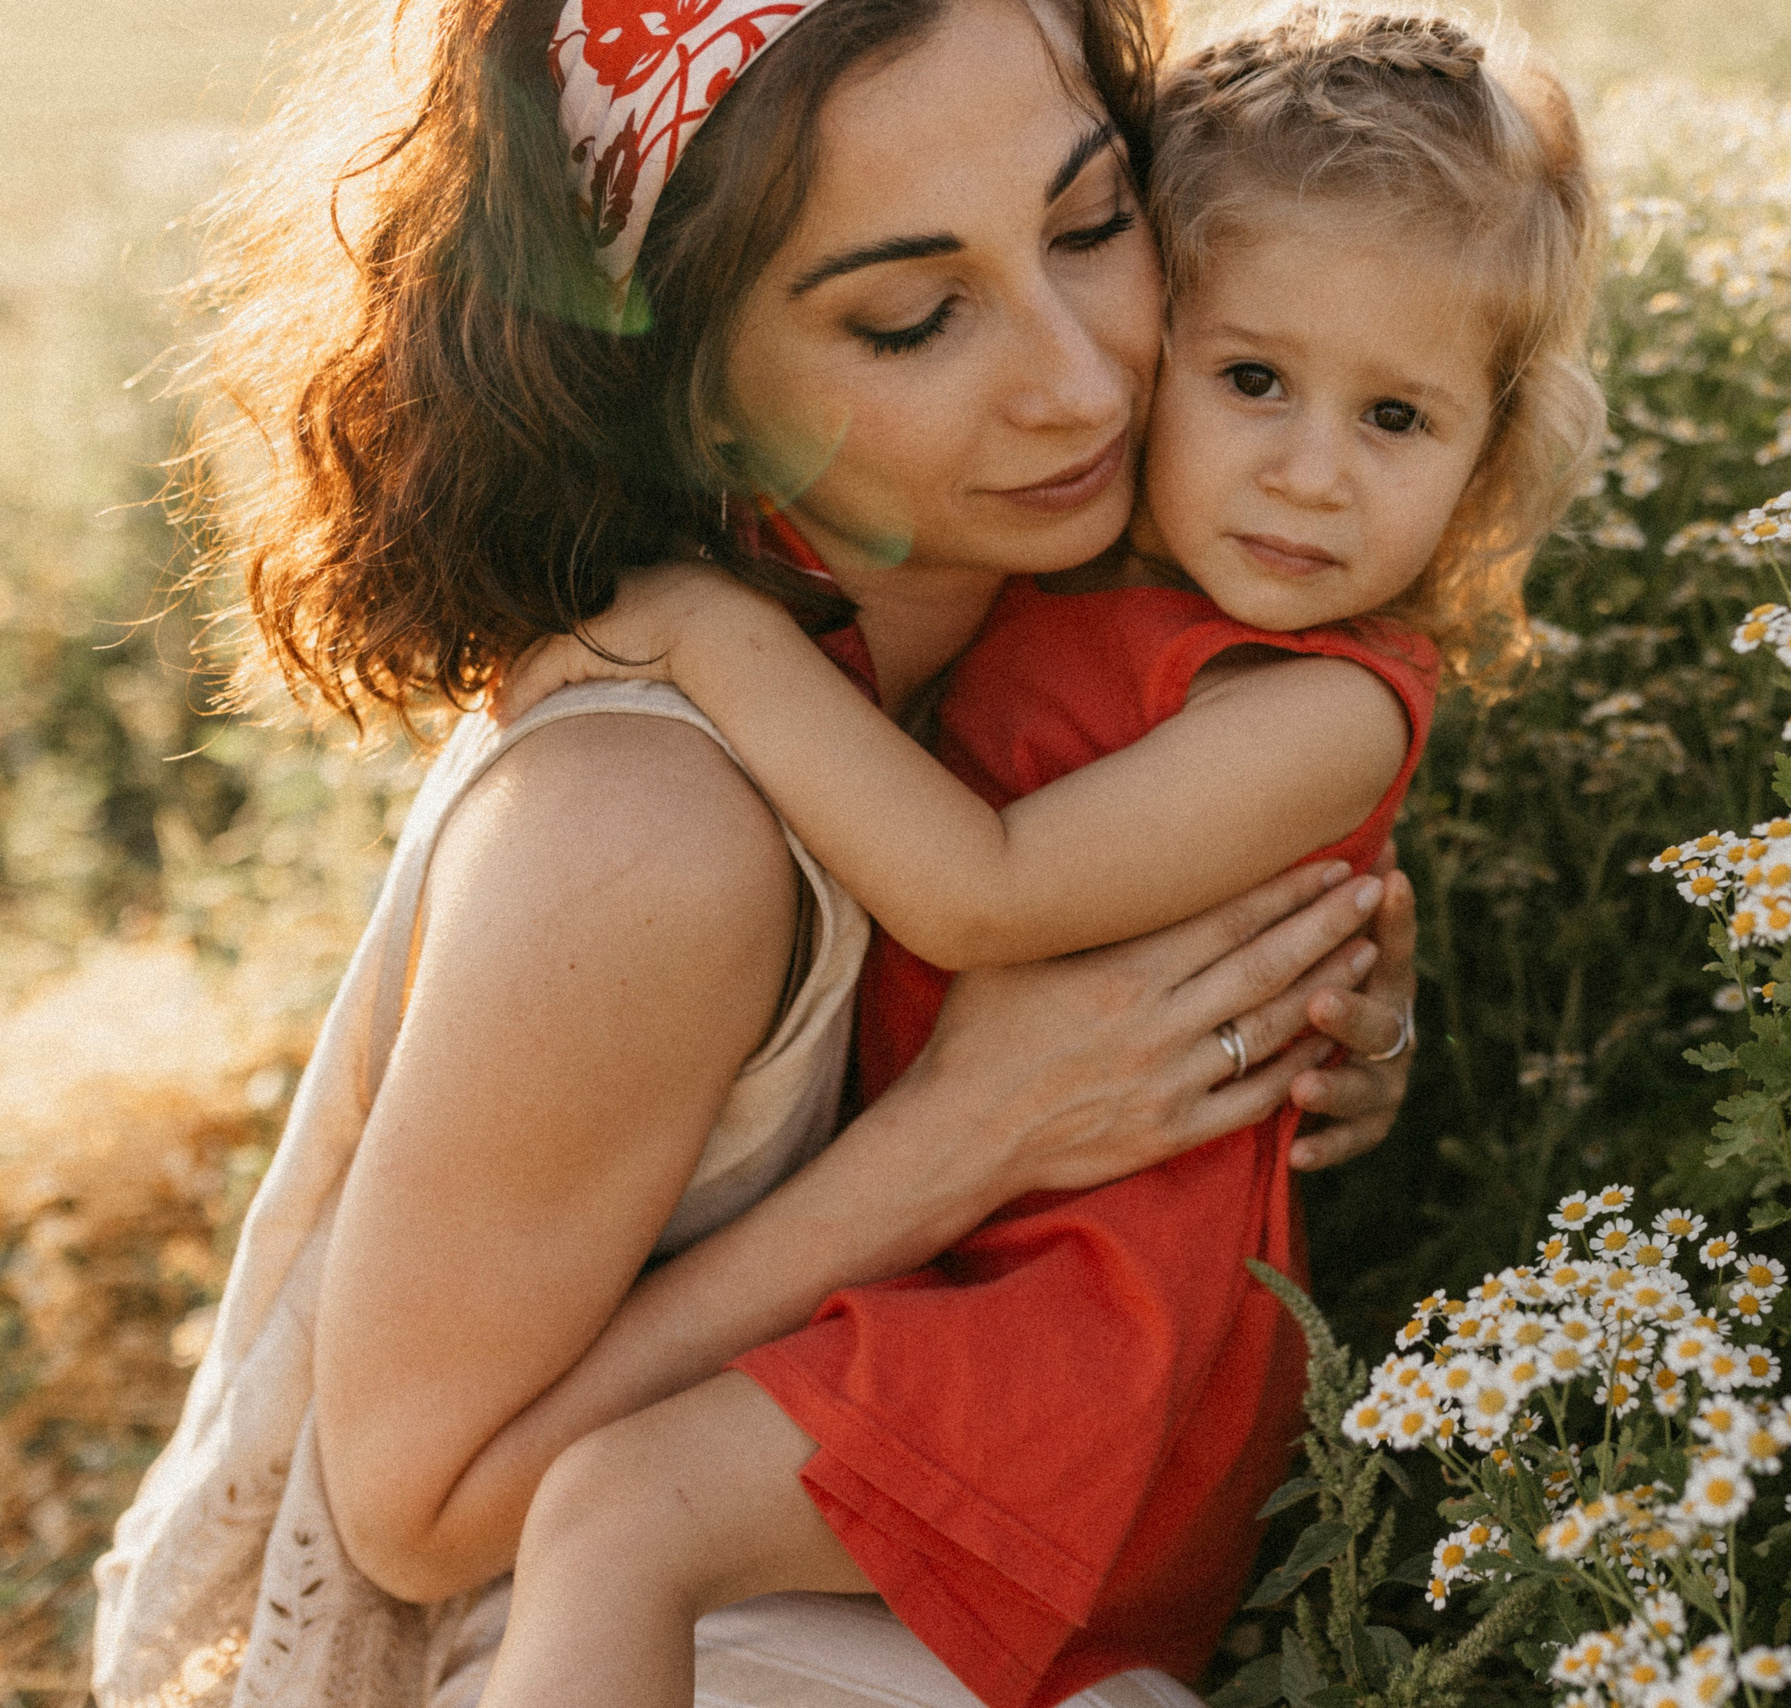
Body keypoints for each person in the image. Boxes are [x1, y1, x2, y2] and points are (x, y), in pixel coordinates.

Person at [87, 2, 1426, 1704]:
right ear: (687, 391)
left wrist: (1334, 1011)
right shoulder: (646, 841)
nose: (1081, 378)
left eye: (1095, 225)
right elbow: (415, 1518)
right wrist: (968, 1135)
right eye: (911, 317)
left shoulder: (1064, 581)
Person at [476, 10, 1602, 1706]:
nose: (1310, 473)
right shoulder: (1087, 583)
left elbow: (977, 889)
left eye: (1398, 417)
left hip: (1092, 1342)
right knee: (613, 1517)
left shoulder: (1328, 705)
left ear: (1489, 451)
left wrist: (711, 638)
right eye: (1250, 380)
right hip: (994, 1279)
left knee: (618, 1517)